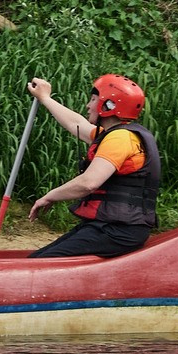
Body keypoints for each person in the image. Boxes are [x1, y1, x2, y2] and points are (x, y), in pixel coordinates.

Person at [22, 74, 162, 258]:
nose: (88, 105)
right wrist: (45, 98)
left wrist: (49, 196)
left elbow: (88, 183)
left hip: (119, 231)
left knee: (41, 262)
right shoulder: (116, 134)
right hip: (109, 226)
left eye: (94, 100)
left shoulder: (120, 138)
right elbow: (76, 123)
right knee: (36, 259)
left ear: (109, 105)